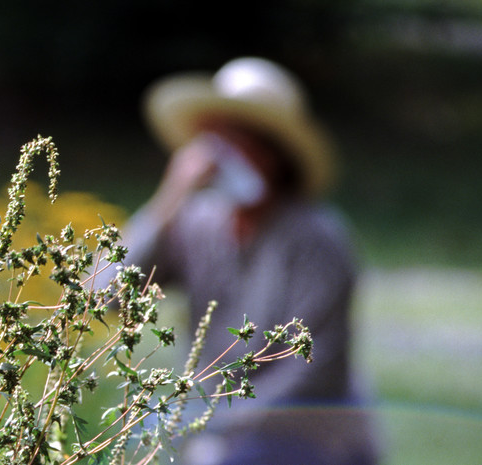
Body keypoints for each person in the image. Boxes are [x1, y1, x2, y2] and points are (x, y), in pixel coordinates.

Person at [117, 58, 380, 464]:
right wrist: (168, 198)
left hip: (305, 439)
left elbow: (314, 372)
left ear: (276, 154)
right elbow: (107, 298)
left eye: (243, 140)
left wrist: (211, 424)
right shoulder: (193, 222)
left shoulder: (318, 239)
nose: (228, 154)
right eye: (217, 140)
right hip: (220, 434)